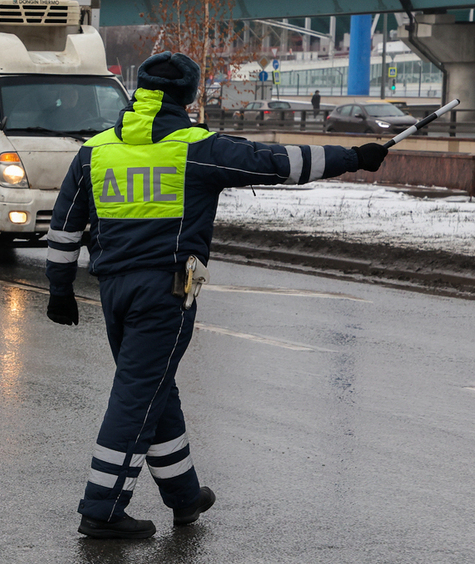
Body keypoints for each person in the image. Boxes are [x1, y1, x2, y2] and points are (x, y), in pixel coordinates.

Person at [45, 51, 387, 540]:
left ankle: (185, 498)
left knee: (155, 391)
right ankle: (101, 508)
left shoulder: (96, 151)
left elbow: (64, 226)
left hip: (115, 294)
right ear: (185, 97)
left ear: (140, 92)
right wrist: (354, 158)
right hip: (164, 295)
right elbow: (278, 163)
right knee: (138, 398)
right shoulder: (195, 148)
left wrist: (60, 290)